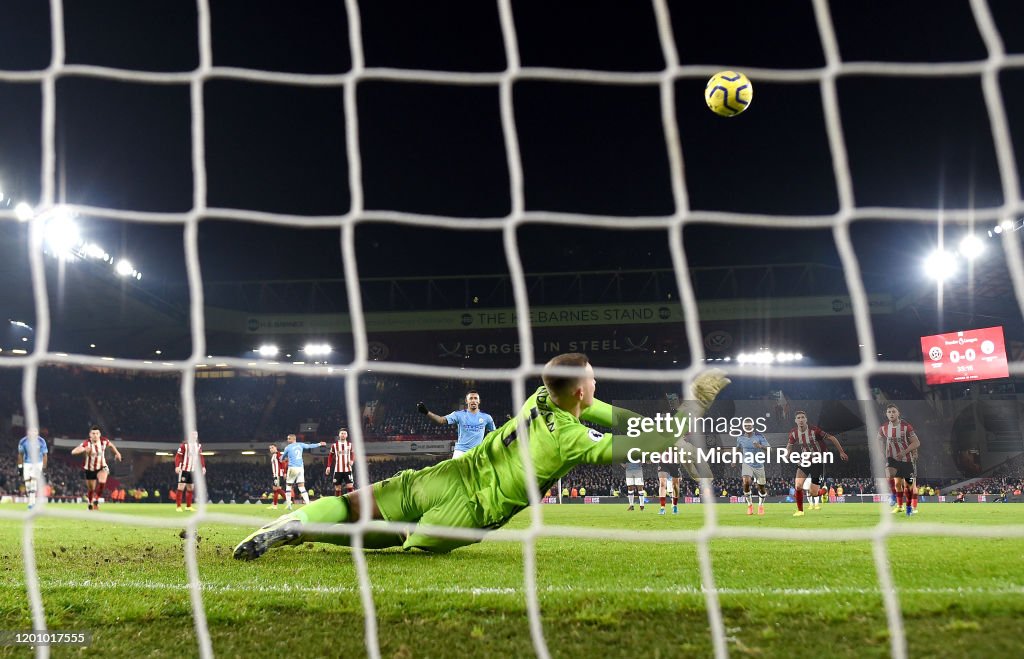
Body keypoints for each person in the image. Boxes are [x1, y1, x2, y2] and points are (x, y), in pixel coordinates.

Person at [234, 353, 728, 560]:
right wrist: (691, 409)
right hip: (472, 508)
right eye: (592, 379)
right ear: (581, 392)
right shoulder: (572, 438)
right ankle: (312, 531)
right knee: (400, 543)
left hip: (453, 470)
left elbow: (620, 419)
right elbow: (631, 440)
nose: (596, 385)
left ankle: (297, 521)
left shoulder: (541, 398)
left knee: (362, 503)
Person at [786, 411, 848, 517]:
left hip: (817, 461)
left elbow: (832, 438)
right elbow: (789, 445)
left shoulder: (815, 431)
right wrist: (787, 453)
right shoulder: (793, 433)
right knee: (798, 486)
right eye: (798, 418)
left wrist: (841, 452)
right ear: (795, 421)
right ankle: (800, 511)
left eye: (802, 417)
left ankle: (824, 491)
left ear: (806, 419)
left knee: (813, 493)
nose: (801, 419)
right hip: (804, 460)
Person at [417, 391, 496, 458]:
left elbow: (494, 433)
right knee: (455, 475)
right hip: (461, 451)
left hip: (477, 452)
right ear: (466, 401)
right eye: (471, 398)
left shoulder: (486, 417)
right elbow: (441, 420)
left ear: (479, 401)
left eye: (475, 398)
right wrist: (426, 412)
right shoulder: (458, 414)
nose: (473, 400)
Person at [877, 404, 920, 517]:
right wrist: (881, 452)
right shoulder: (884, 428)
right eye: (889, 412)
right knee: (892, 478)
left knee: (909, 486)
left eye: (893, 411)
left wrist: (907, 452)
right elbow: (878, 440)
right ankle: (895, 500)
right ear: (886, 414)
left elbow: (916, 443)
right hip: (892, 458)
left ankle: (910, 507)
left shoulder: (906, 426)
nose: (891, 414)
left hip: (907, 459)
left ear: (898, 413)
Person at [70, 425, 122, 511]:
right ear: (90, 434)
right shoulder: (86, 443)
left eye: (97, 433)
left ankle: (96, 501)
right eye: (93, 433)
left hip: (102, 466)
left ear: (100, 434)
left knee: (102, 483)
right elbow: (73, 452)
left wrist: (117, 453)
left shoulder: (104, 441)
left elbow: (111, 446)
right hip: (90, 468)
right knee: (91, 489)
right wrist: (83, 450)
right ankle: (90, 504)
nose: (95, 435)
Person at [280, 434, 327, 510]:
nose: (287, 440)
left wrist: (281, 458)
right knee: (301, 486)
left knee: (288, 485)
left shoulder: (288, 447)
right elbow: (310, 446)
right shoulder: (300, 444)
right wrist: (319, 444)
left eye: (289, 439)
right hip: (300, 468)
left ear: (293, 439)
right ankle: (308, 503)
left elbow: (282, 458)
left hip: (292, 468)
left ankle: (288, 504)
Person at [736, 418, 769, 516]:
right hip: (747, 463)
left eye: (749, 425)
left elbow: (769, 449)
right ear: (743, 427)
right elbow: (737, 449)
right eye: (745, 425)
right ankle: (750, 505)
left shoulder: (759, 436)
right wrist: (734, 459)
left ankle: (760, 505)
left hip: (759, 465)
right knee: (746, 482)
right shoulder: (740, 438)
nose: (747, 427)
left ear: (752, 426)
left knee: (761, 488)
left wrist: (760, 446)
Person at [175, 431, 207, 512]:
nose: (194, 436)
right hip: (184, 469)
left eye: (195, 435)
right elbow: (178, 456)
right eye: (192, 435)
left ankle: (188, 506)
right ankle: (178, 507)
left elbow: (201, 457)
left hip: (193, 470)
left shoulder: (198, 446)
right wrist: (177, 466)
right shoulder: (184, 445)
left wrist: (203, 467)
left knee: (190, 488)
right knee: (181, 487)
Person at [17, 427, 48, 510]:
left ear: (37, 432)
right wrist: (20, 467)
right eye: (32, 431)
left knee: (33, 482)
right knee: (27, 485)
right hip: (27, 463)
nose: (33, 433)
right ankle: (31, 499)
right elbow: (20, 454)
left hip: (38, 463)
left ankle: (32, 503)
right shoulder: (23, 441)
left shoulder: (41, 441)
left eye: (35, 431)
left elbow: (45, 455)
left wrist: (44, 468)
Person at [326, 429, 355, 496]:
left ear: (347, 435)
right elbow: (330, 456)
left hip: (348, 469)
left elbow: (352, 454)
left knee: (350, 486)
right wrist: (328, 466)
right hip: (338, 470)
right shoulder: (334, 445)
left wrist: (352, 460)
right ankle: (338, 503)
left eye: (344, 433)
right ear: (339, 435)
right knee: (337, 488)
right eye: (342, 433)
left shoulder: (350, 445)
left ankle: (352, 502)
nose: (343, 435)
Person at [268, 444, 288, 510]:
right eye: (270, 448)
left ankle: (288, 501)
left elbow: (283, 463)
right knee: (275, 490)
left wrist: (284, 473)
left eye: (272, 447)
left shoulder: (278, 454)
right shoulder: (274, 455)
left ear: (275, 448)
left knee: (277, 489)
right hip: (275, 475)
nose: (271, 449)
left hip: (278, 474)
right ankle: (275, 505)